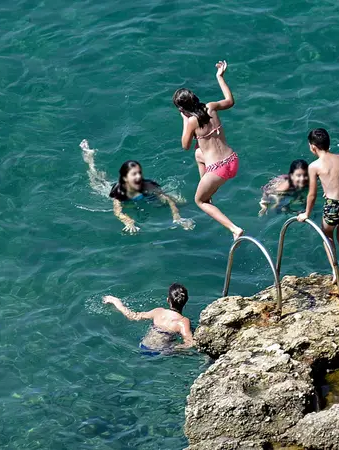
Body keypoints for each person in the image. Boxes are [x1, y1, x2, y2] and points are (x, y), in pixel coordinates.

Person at [173, 60, 243, 240]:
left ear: (182, 109)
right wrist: (220, 77)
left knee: (199, 201)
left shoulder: (191, 121)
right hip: (233, 161)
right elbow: (230, 101)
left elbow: (185, 146)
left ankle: (234, 229)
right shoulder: (211, 107)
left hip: (217, 170)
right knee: (199, 154)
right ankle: (208, 191)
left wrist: (185, 120)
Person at [80, 140, 194, 234]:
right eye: (134, 174)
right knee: (97, 182)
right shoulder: (120, 192)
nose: (138, 176)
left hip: (142, 196)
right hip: (116, 192)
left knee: (181, 201)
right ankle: (90, 160)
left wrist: (176, 216)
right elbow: (117, 211)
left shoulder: (147, 185)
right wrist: (128, 221)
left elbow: (167, 199)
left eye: (139, 173)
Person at [297, 128, 339, 284]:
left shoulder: (314, 166)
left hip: (334, 206)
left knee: (327, 235)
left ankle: (335, 272)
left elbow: (312, 194)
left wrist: (306, 213)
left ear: (313, 147)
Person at [103, 283, 194, 352]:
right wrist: (172, 348)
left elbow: (133, 316)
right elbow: (189, 343)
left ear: (168, 300)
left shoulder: (158, 311)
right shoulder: (183, 322)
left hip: (143, 346)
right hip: (159, 352)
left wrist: (116, 302)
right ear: (186, 300)